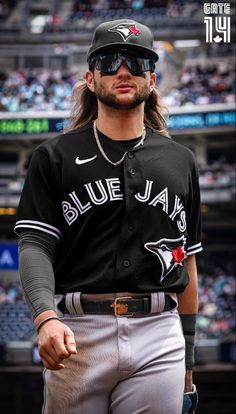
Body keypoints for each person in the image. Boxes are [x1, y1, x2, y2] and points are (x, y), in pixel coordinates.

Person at [15, 19, 202, 414]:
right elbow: (35, 245)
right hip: (77, 331)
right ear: (90, 76)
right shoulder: (54, 157)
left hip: (158, 329)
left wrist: (188, 361)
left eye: (136, 62)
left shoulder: (180, 161)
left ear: (152, 78)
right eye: (109, 60)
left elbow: (188, 261)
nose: (123, 70)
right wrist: (45, 316)